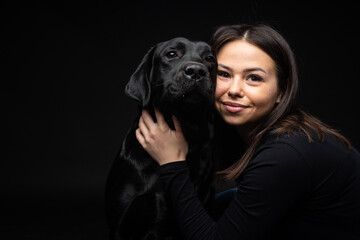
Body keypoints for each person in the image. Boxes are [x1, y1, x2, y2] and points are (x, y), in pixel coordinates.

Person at [135, 23, 360, 239]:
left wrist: (172, 163)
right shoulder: (241, 131)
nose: (234, 90)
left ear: (281, 91)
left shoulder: (284, 154)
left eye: (254, 78)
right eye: (224, 74)